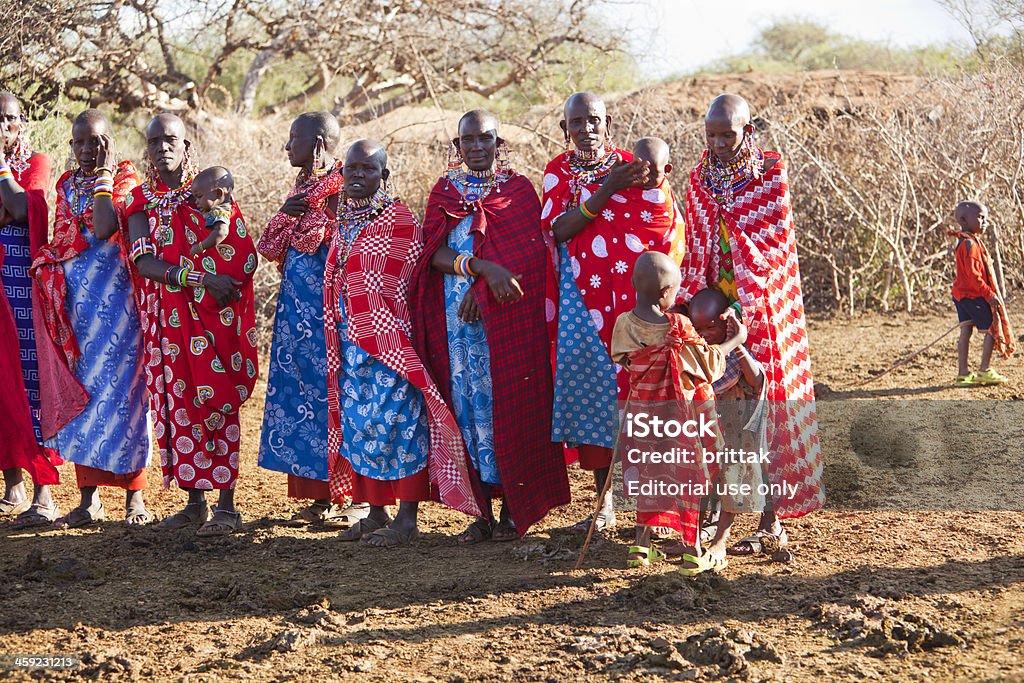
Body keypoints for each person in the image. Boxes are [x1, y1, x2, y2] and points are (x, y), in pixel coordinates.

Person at [411, 110, 570, 543]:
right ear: (457, 147)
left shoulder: (518, 191)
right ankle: (480, 512)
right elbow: (432, 255)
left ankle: (515, 513)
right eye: (468, 140)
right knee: (467, 411)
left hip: (506, 318)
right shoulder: (444, 191)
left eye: (486, 139)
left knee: (511, 406)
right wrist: (477, 270)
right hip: (457, 325)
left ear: (499, 144)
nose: (477, 147)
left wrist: (484, 292)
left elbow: (531, 256)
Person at [678, 93, 824, 555]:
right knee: (716, 413)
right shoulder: (698, 179)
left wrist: (742, 287)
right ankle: (711, 517)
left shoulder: (771, 174)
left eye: (728, 133)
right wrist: (701, 302)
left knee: (765, 412)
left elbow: (775, 245)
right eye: (712, 135)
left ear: (748, 130)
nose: (719, 143)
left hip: (761, 308)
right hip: (713, 308)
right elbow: (695, 242)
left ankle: (770, 521)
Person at [324, 139, 480, 547]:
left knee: (402, 423)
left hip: (391, 339)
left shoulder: (401, 222)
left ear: (384, 176)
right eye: (351, 169)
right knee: (361, 424)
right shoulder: (342, 222)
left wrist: (381, 327)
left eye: (368, 169)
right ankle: (376, 513)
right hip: (350, 341)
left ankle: (407, 519)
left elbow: (411, 282)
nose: (357, 175)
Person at [541, 92, 685, 533]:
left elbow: (662, 220)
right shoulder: (556, 172)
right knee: (594, 405)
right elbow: (559, 229)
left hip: (631, 305)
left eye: (595, 120)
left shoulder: (633, 163)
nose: (586, 129)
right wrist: (606, 190)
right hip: (580, 306)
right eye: (577, 122)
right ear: (564, 129)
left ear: (609, 123)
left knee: (642, 399)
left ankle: (654, 513)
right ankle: (603, 508)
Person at [126, 113, 259, 537]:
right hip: (167, 317)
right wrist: (199, 277)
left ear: (186, 146)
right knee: (180, 402)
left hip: (213, 318)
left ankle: (227, 504)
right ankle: (194, 501)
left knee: (216, 398)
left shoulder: (208, 192)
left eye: (170, 140)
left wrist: (217, 281)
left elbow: (238, 244)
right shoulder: (140, 201)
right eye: (153, 142)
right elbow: (144, 262)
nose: (162, 148)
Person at [30, 109, 152, 527]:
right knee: (88, 399)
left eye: (95, 141)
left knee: (125, 397)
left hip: (119, 307)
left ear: (109, 143)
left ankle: (134, 498)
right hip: (77, 308)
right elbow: (65, 237)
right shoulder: (64, 184)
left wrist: (103, 172)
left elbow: (103, 228)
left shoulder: (125, 179)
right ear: (70, 145)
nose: (86, 149)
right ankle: (89, 499)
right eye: (79, 142)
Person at [257, 111, 367, 526]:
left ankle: (355, 496)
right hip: (297, 314)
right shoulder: (305, 188)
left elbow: (342, 248)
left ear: (318, 144)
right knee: (306, 398)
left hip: (328, 313)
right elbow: (272, 248)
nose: (287, 147)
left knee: (338, 396)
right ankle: (321, 495)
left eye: (293, 138)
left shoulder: (340, 189)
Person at [611, 252, 745, 574]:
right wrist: (735, 341)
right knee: (689, 480)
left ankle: (640, 548)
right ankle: (692, 551)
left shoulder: (623, 325)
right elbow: (708, 366)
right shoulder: (679, 326)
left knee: (650, 478)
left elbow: (625, 360)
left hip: (645, 417)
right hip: (682, 421)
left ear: (633, 283)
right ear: (666, 294)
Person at [0, 92, 87, 528]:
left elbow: (22, 208)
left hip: (22, 290)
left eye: (10, 118)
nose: (4, 125)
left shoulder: (35, 163)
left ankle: (44, 493)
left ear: (22, 122)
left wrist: (0, 167)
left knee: (31, 379)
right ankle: (11, 481)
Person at [687, 287, 769, 567]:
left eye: (711, 326)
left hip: (735, 436)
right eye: (698, 328)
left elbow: (758, 382)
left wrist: (738, 342)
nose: (705, 333)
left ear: (726, 323)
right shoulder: (701, 354)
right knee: (697, 483)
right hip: (707, 433)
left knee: (732, 484)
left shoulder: (735, 352)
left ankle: (720, 540)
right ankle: (693, 540)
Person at [949, 200, 1013, 386]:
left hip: (961, 294)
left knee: (966, 330)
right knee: (993, 328)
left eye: (986, 218)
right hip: (972, 295)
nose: (985, 222)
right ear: (963, 220)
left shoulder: (965, 241)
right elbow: (974, 277)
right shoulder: (969, 245)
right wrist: (989, 295)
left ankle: (963, 374)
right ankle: (984, 370)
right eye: (981, 218)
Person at [189, 166, 235, 255]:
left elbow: (221, 232)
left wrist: (200, 247)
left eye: (199, 196)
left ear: (218, 193)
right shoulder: (225, 204)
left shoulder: (220, 212)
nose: (196, 202)